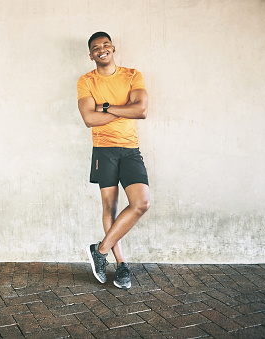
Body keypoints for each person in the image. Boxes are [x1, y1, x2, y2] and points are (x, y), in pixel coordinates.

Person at [77, 32, 150, 289]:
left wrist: (105, 108)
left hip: (130, 149)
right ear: (91, 55)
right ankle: (120, 264)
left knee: (141, 203)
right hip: (103, 150)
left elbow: (140, 110)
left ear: (113, 48)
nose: (101, 49)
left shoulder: (132, 75)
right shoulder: (86, 81)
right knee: (110, 208)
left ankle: (100, 250)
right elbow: (89, 119)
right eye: (96, 47)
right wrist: (123, 109)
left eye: (105, 45)